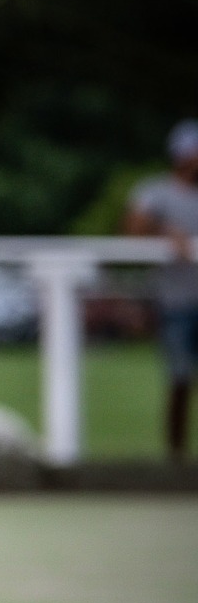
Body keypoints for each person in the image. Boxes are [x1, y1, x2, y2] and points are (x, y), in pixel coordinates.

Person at [125, 119, 198, 460]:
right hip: (177, 301)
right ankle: (176, 458)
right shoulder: (156, 191)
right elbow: (133, 228)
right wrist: (168, 232)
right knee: (180, 379)